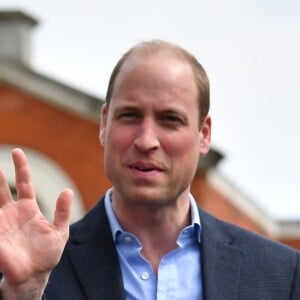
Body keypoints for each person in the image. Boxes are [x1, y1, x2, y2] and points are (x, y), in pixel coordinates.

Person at [0, 40, 299, 300]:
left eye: (170, 119)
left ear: (204, 134)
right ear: (104, 124)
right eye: (130, 116)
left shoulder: (280, 275)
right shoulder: (33, 269)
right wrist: (23, 294)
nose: (146, 141)